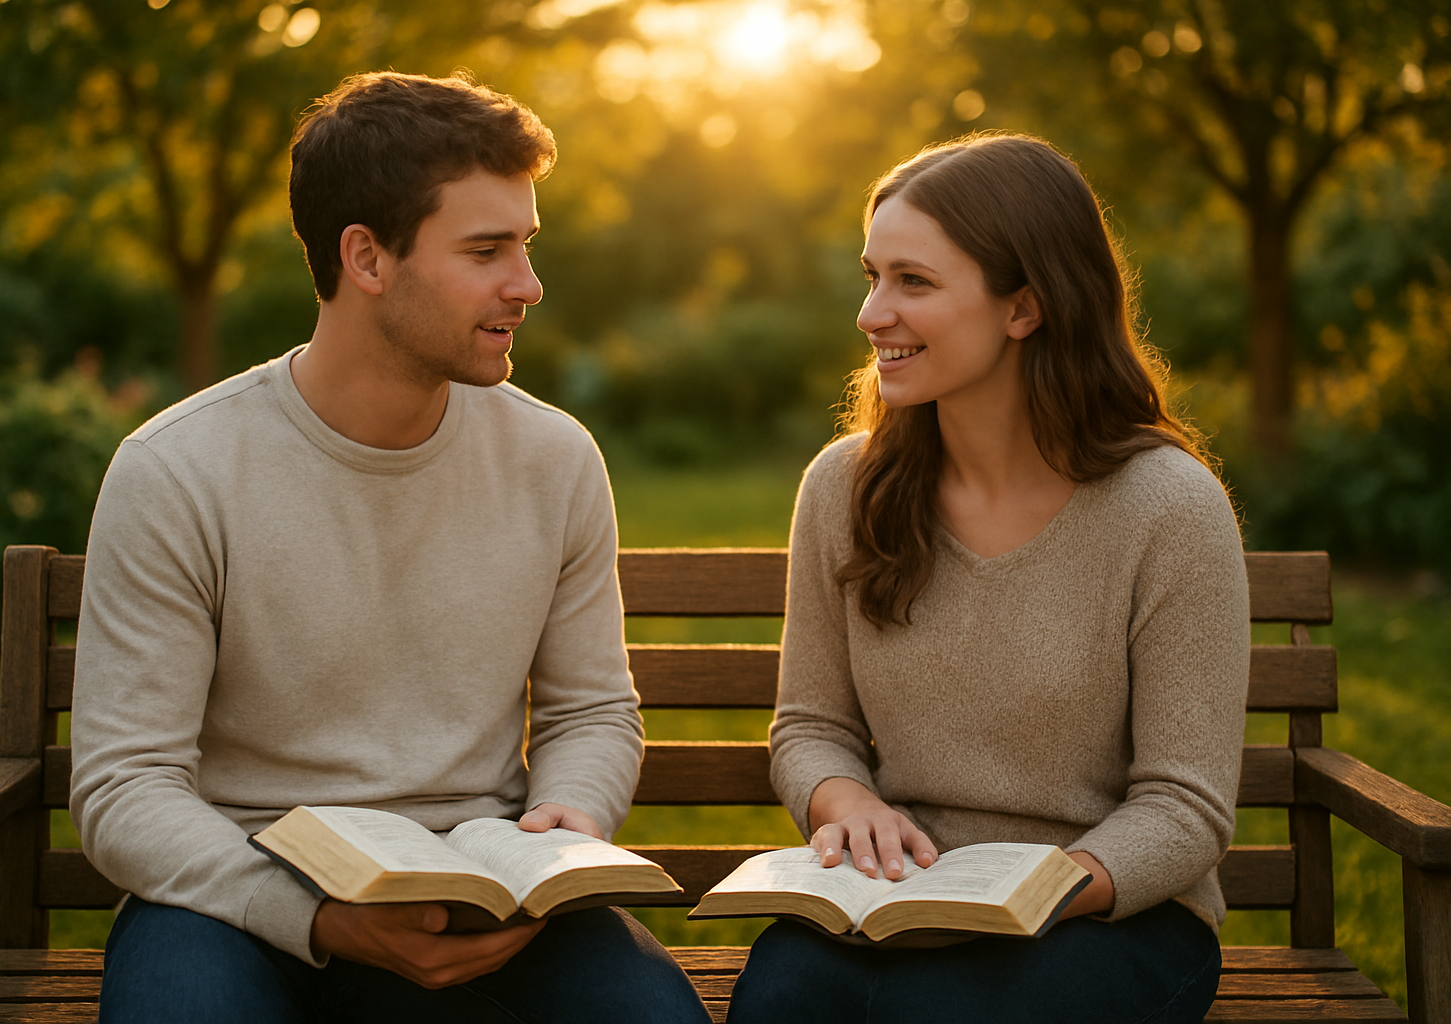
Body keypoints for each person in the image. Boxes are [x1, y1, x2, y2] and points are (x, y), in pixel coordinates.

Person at [69, 71, 710, 1024]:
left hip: (486, 886)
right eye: (487, 250)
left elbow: (592, 712)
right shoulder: (178, 469)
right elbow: (125, 786)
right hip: (239, 890)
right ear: (366, 258)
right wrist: (321, 917)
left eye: (525, 246)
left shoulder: (554, 458)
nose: (527, 285)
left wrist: (566, 826)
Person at [726, 133, 1250, 1023]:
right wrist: (844, 799)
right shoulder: (843, 489)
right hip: (896, 902)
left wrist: (1027, 893)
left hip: (1106, 912)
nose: (871, 314)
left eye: (914, 282)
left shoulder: (1169, 508)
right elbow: (811, 726)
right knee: (779, 1003)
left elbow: (1184, 806)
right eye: (872, 275)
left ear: (1025, 307)